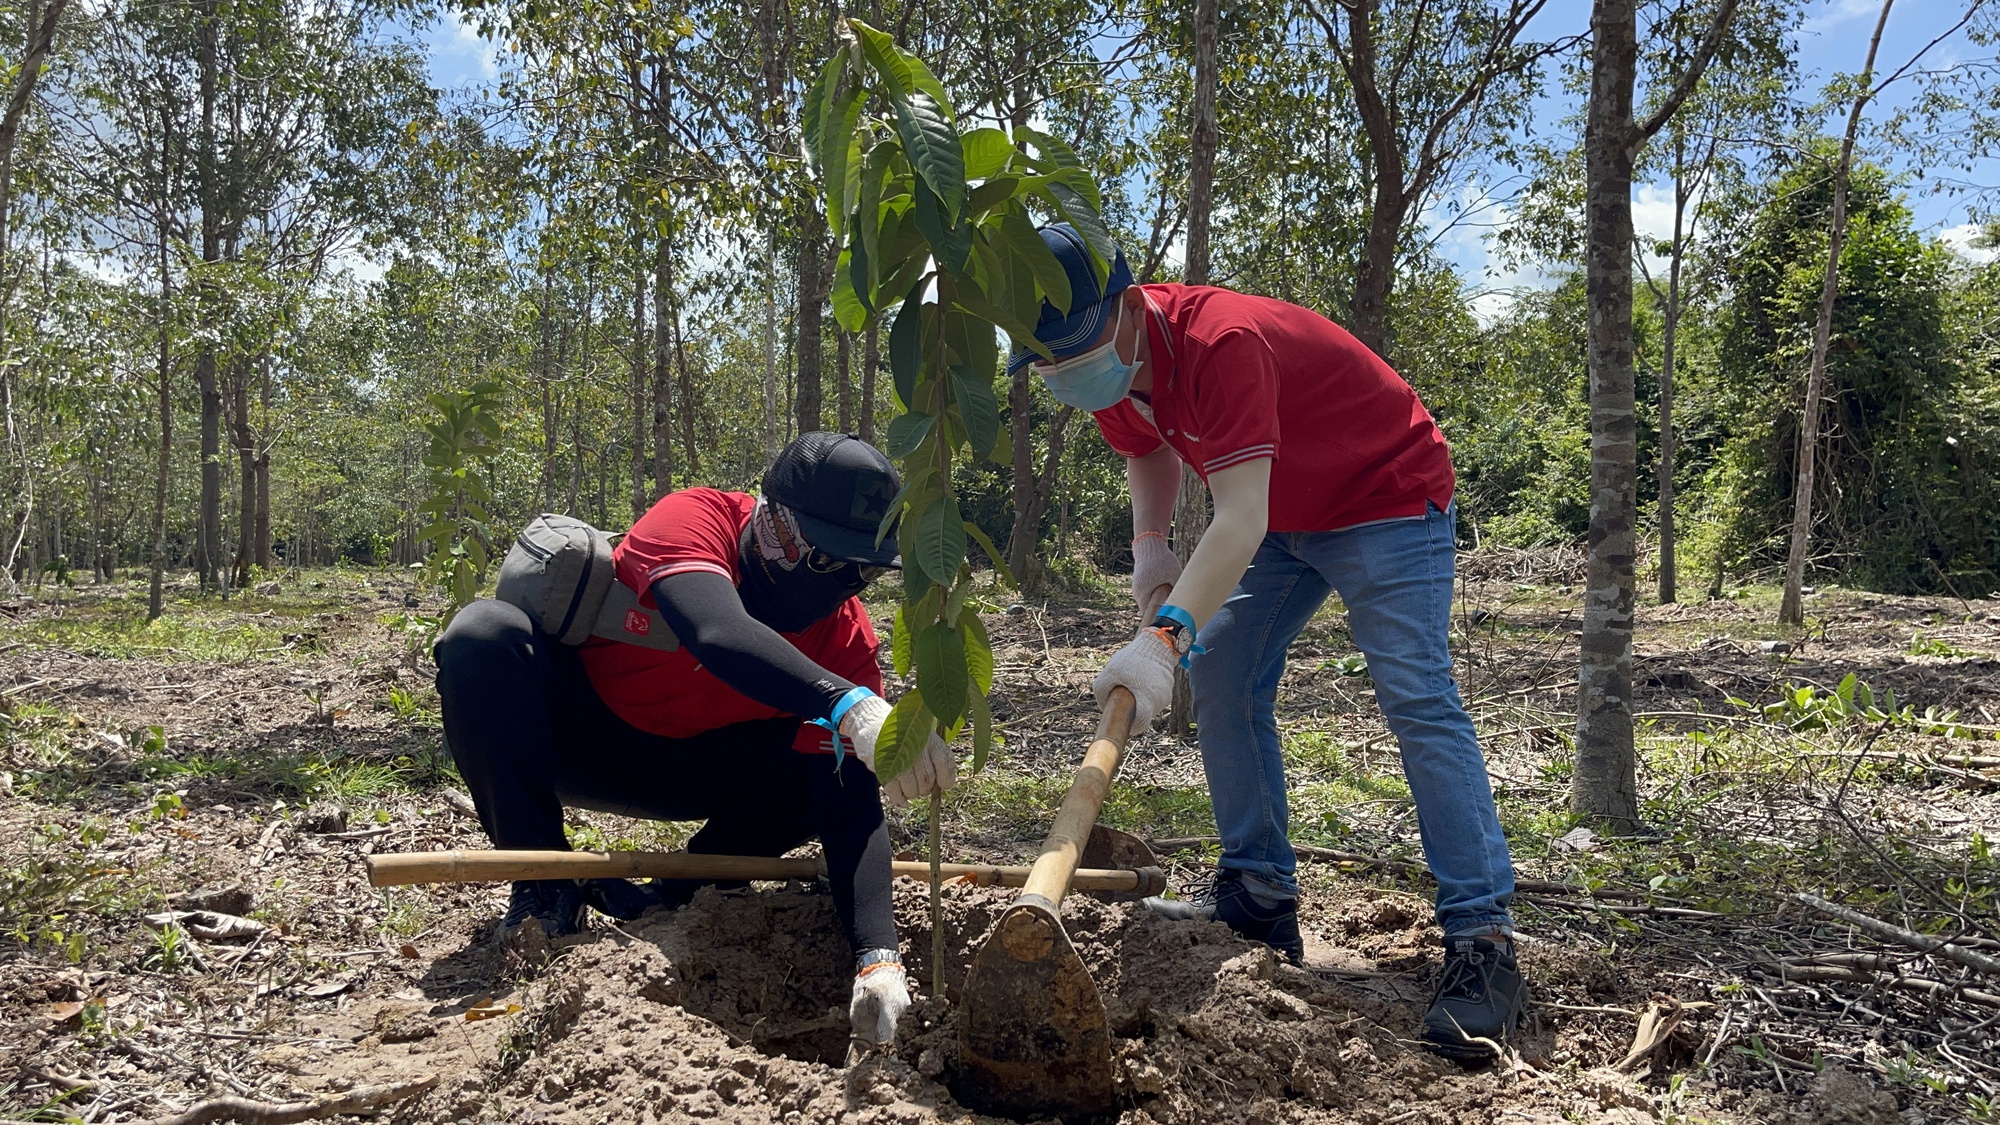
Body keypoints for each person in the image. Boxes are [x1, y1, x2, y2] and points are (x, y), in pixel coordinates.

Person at [1009, 224, 1524, 1062]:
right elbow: (1147, 450)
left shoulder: (1222, 344)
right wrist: (1150, 557)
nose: (1067, 373)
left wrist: (1164, 639)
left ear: (1130, 305)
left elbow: (1239, 517)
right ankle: (1257, 892)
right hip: (1288, 510)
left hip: (1385, 491)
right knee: (1229, 680)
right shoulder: (1110, 360)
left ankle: (1484, 940)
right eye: (1047, 360)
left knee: (1417, 697)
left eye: (1074, 349)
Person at [433, 431, 955, 1048]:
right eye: (825, 559)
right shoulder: (695, 519)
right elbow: (715, 629)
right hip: (584, 738)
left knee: (831, 770)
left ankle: (681, 891)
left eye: (861, 571)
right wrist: (847, 703)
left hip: (702, 769)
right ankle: (544, 886)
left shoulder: (845, 640)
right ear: (774, 526)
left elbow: (850, 810)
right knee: (480, 636)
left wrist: (878, 957)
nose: (841, 583)